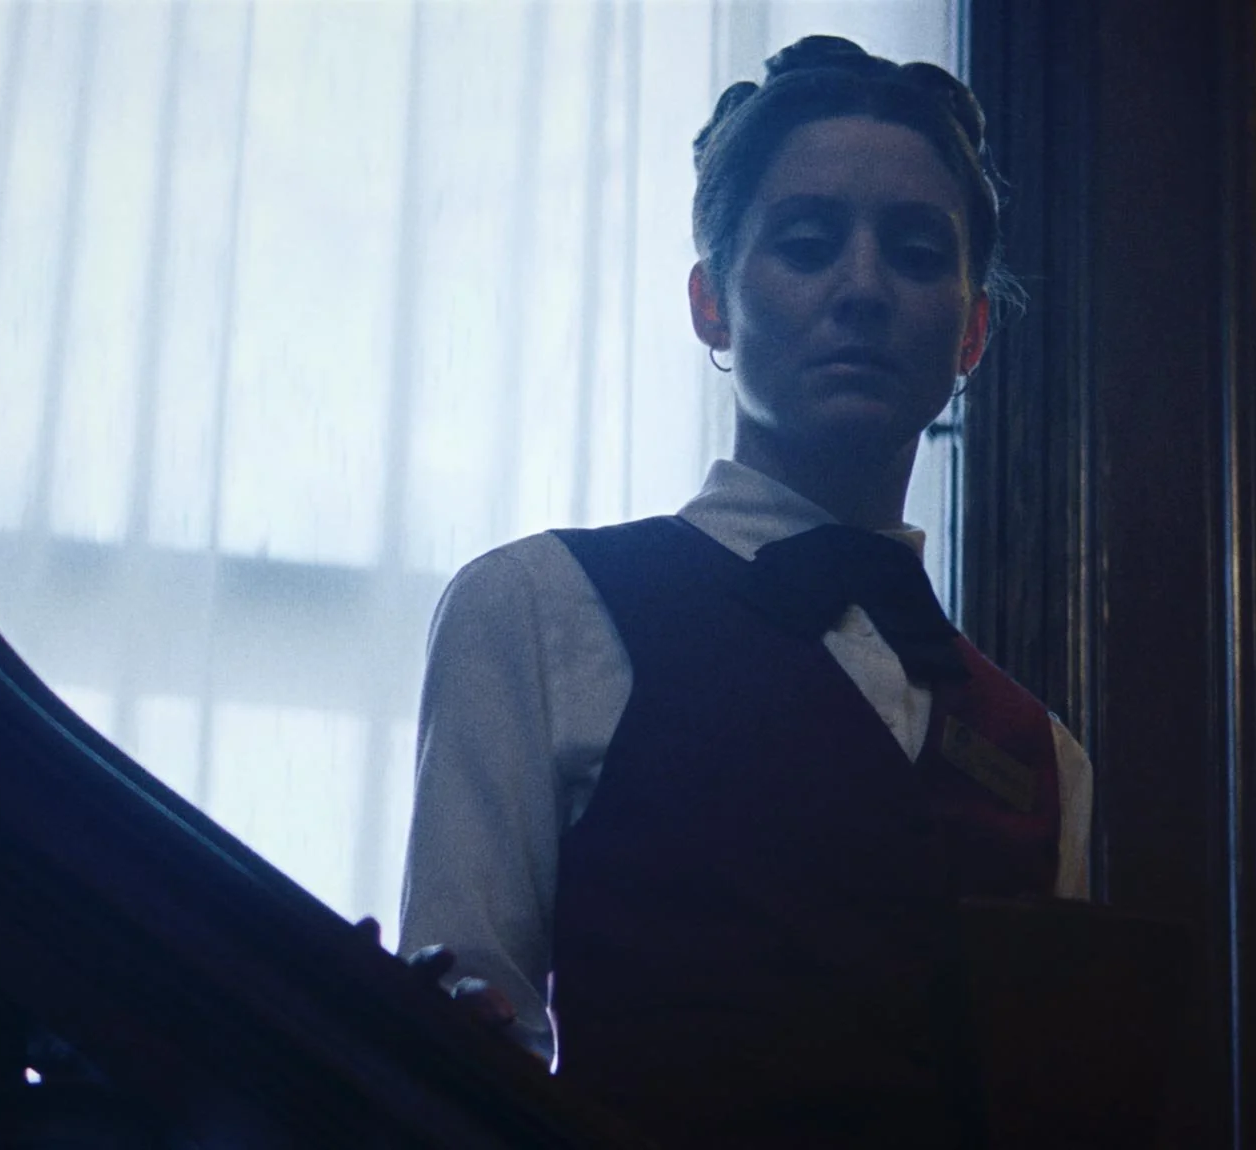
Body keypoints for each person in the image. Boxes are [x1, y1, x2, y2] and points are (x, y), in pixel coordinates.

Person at [396, 35, 1093, 1149]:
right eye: (809, 244)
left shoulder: (1046, 757)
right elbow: (465, 1053)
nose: (862, 286)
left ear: (972, 330)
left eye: (916, 253)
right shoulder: (533, 609)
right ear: (710, 303)